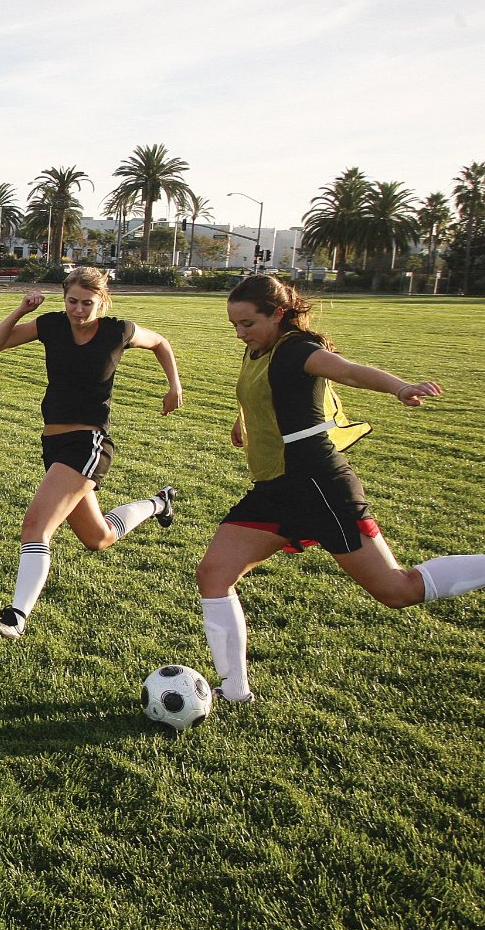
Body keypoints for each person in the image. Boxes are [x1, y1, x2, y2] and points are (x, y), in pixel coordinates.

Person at [198, 275, 485, 701]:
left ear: (278, 314)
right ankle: (235, 690)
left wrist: (401, 387)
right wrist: (246, 421)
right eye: (234, 325)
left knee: (397, 590)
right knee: (213, 574)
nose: (240, 333)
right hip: (275, 489)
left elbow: (349, 372)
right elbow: (261, 395)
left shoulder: (298, 349)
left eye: (247, 324)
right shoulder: (258, 347)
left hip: (318, 486)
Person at [0, 266, 183, 638]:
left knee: (35, 527)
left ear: (102, 300)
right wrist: (21, 310)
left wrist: (174, 386)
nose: (78, 309)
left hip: (88, 443)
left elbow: (160, 343)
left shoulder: (118, 331)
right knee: (99, 537)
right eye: (72, 301)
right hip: (53, 443)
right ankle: (159, 503)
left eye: (87, 303)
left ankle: (15, 618)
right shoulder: (50, 325)